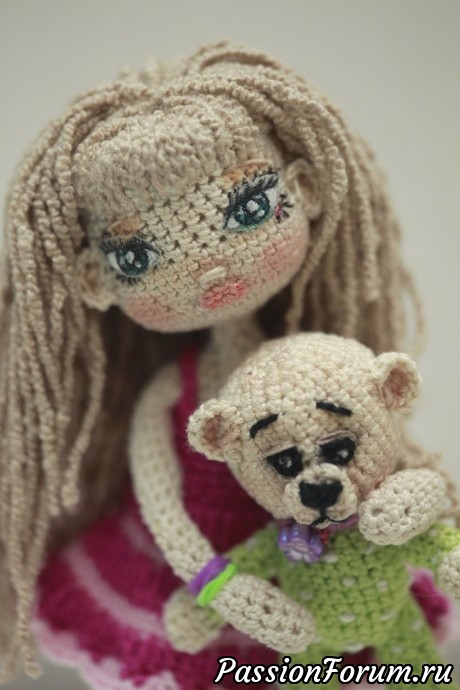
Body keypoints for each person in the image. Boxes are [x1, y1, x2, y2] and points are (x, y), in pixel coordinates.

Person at [0, 41, 455, 688]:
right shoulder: (174, 393)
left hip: (329, 567)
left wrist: (420, 498)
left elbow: (378, 442)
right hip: (203, 567)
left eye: (247, 211)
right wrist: (217, 585)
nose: (207, 265)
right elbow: (162, 505)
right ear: (96, 279)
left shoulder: (326, 362)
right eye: (139, 257)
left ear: (304, 190)